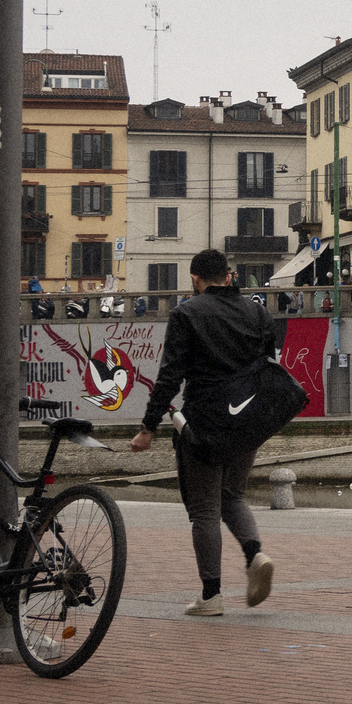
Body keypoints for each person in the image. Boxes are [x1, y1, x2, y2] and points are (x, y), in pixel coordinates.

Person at [130, 248, 277, 618]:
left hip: (204, 423)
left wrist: (148, 427)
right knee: (233, 495)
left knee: (204, 510)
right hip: (248, 420)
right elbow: (268, 367)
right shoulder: (258, 313)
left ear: (194, 279)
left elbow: (169, 377)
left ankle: (211, 596)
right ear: (229, 276)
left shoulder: (186, 314)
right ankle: (254, 553)